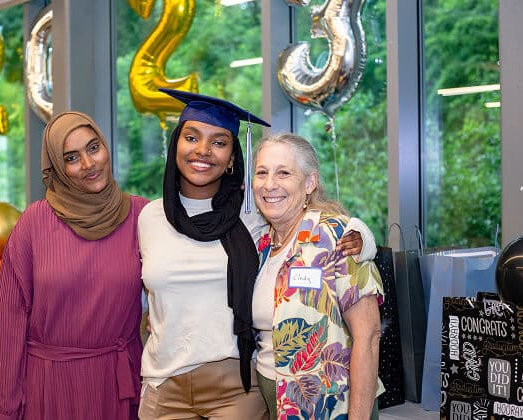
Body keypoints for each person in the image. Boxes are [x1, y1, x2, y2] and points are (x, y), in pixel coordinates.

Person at [137, 89, 377, 419]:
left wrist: (363, 234)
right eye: (191, 137)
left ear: (233, 158)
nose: (203, 150)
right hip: (166, 382)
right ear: (175, 143)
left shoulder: (252, 218)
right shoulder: (149, 218)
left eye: (219, 142)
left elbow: (323, 225)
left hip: (241, 386)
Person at [0, 111, 148, 419]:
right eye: (71, 158)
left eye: (93, 147)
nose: (89, 164)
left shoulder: (142, 216)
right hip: (50, 386)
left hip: (118, 384)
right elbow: (9, 325)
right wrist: (4, 408)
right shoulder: (33, 223)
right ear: (57, 168)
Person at [251, 132, 385, 420]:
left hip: (329, 406)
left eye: (283, 173)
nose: (269, 184)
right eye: (262, 173)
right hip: (272, 397)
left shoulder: (338, 237)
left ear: (310, 182)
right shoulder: (261, 244)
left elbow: (369, 335)